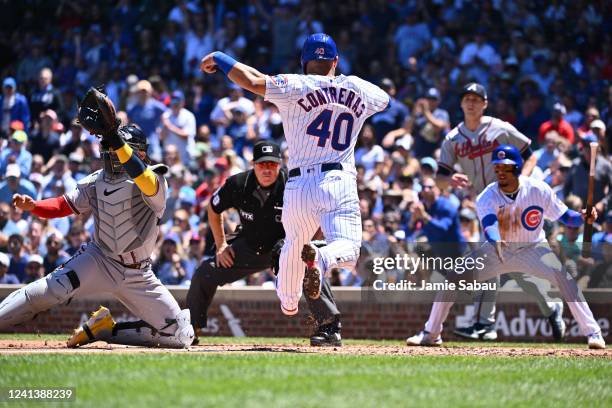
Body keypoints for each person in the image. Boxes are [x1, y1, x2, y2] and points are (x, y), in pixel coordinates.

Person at [199, 33, 390, 316]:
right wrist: (341, 86)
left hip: (298, 183)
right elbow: (385, 100)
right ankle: (322, 257)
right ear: (335, 60)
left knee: (293, 243)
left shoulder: (295, 84)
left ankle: (288, 303)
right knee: (348, 249)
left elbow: (250, 80)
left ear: (304, 62)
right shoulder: (357, 87)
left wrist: (220, 58)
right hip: (337, 179)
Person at [0, 88, 194, 348]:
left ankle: (104, 330)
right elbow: (63, 205)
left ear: (142, 153)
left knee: (180, 334)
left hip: (139, 273)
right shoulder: (96, 180)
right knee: (48, 290)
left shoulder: (155, 177)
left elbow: (143, 180)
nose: (112, 152)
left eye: (119, 148)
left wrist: (115, 137)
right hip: (100, 259)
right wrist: (34, 206)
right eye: (110, 147)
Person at [406, 144, 606, 350]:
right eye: (498, 168)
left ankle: (593, 333)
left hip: (534, 248)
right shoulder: (487, 195)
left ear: (517, 168)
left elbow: (567, 218)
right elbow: (490, 224)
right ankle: (431, 333)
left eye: (506, 168)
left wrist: (583, 217)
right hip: (497, 250)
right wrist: (495, 239)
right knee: (453, 277)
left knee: (565, 279)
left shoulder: (538, 189)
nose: (501, 172)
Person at [435, 83, 564, 341]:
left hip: (511, 200)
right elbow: (440, 177)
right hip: (485, 202)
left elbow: (531, 154)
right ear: (461, 104)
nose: (471, 103)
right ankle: (550, 308)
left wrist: (522, 182)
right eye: (466, 99)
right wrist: (449, 182)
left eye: (476, 99)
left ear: (485, 104)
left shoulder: (500, 128)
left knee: (492, 258)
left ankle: (485, 323)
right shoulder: (453, 139)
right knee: (514, 268)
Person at [187, 141, 342, 346]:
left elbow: (317, 214)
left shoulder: (294, 184)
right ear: (253, 165)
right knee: (205, 272)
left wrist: (307, 245)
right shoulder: (238, 184)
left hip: (286, 246)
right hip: (249, 246)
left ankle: (329, 328)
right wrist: (222, 245)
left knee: (309, 267)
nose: (267, 169)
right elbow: (213, 209)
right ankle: (190, 329)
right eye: (262, 164)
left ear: (280, 164)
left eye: (272, 164)